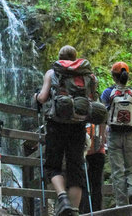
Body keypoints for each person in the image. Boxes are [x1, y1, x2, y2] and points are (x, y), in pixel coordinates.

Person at [35, 45, 97, 216]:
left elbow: (42, 97)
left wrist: (36, 97)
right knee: (75, 168)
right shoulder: (88, 75)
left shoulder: (52, 72)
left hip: (56, 124)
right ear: (75, 57)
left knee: (53, 165)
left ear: (59, 56)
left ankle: (62, 198)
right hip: (78, 125)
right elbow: (92, 100)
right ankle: (74, 211)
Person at [101, 61, 132, 206]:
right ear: (127, 76)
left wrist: (102, 137)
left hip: (114, 134)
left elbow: (103, 116)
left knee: (117, 171)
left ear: (113, 76)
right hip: (131, 134)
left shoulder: (107, 93)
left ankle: (121, 204)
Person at [79, 123, 106, 213]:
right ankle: (97, 211)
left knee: (85, 184)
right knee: (96, 184)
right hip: (99, 151)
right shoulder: (99, 113)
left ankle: (86, 211)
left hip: (84, 152)